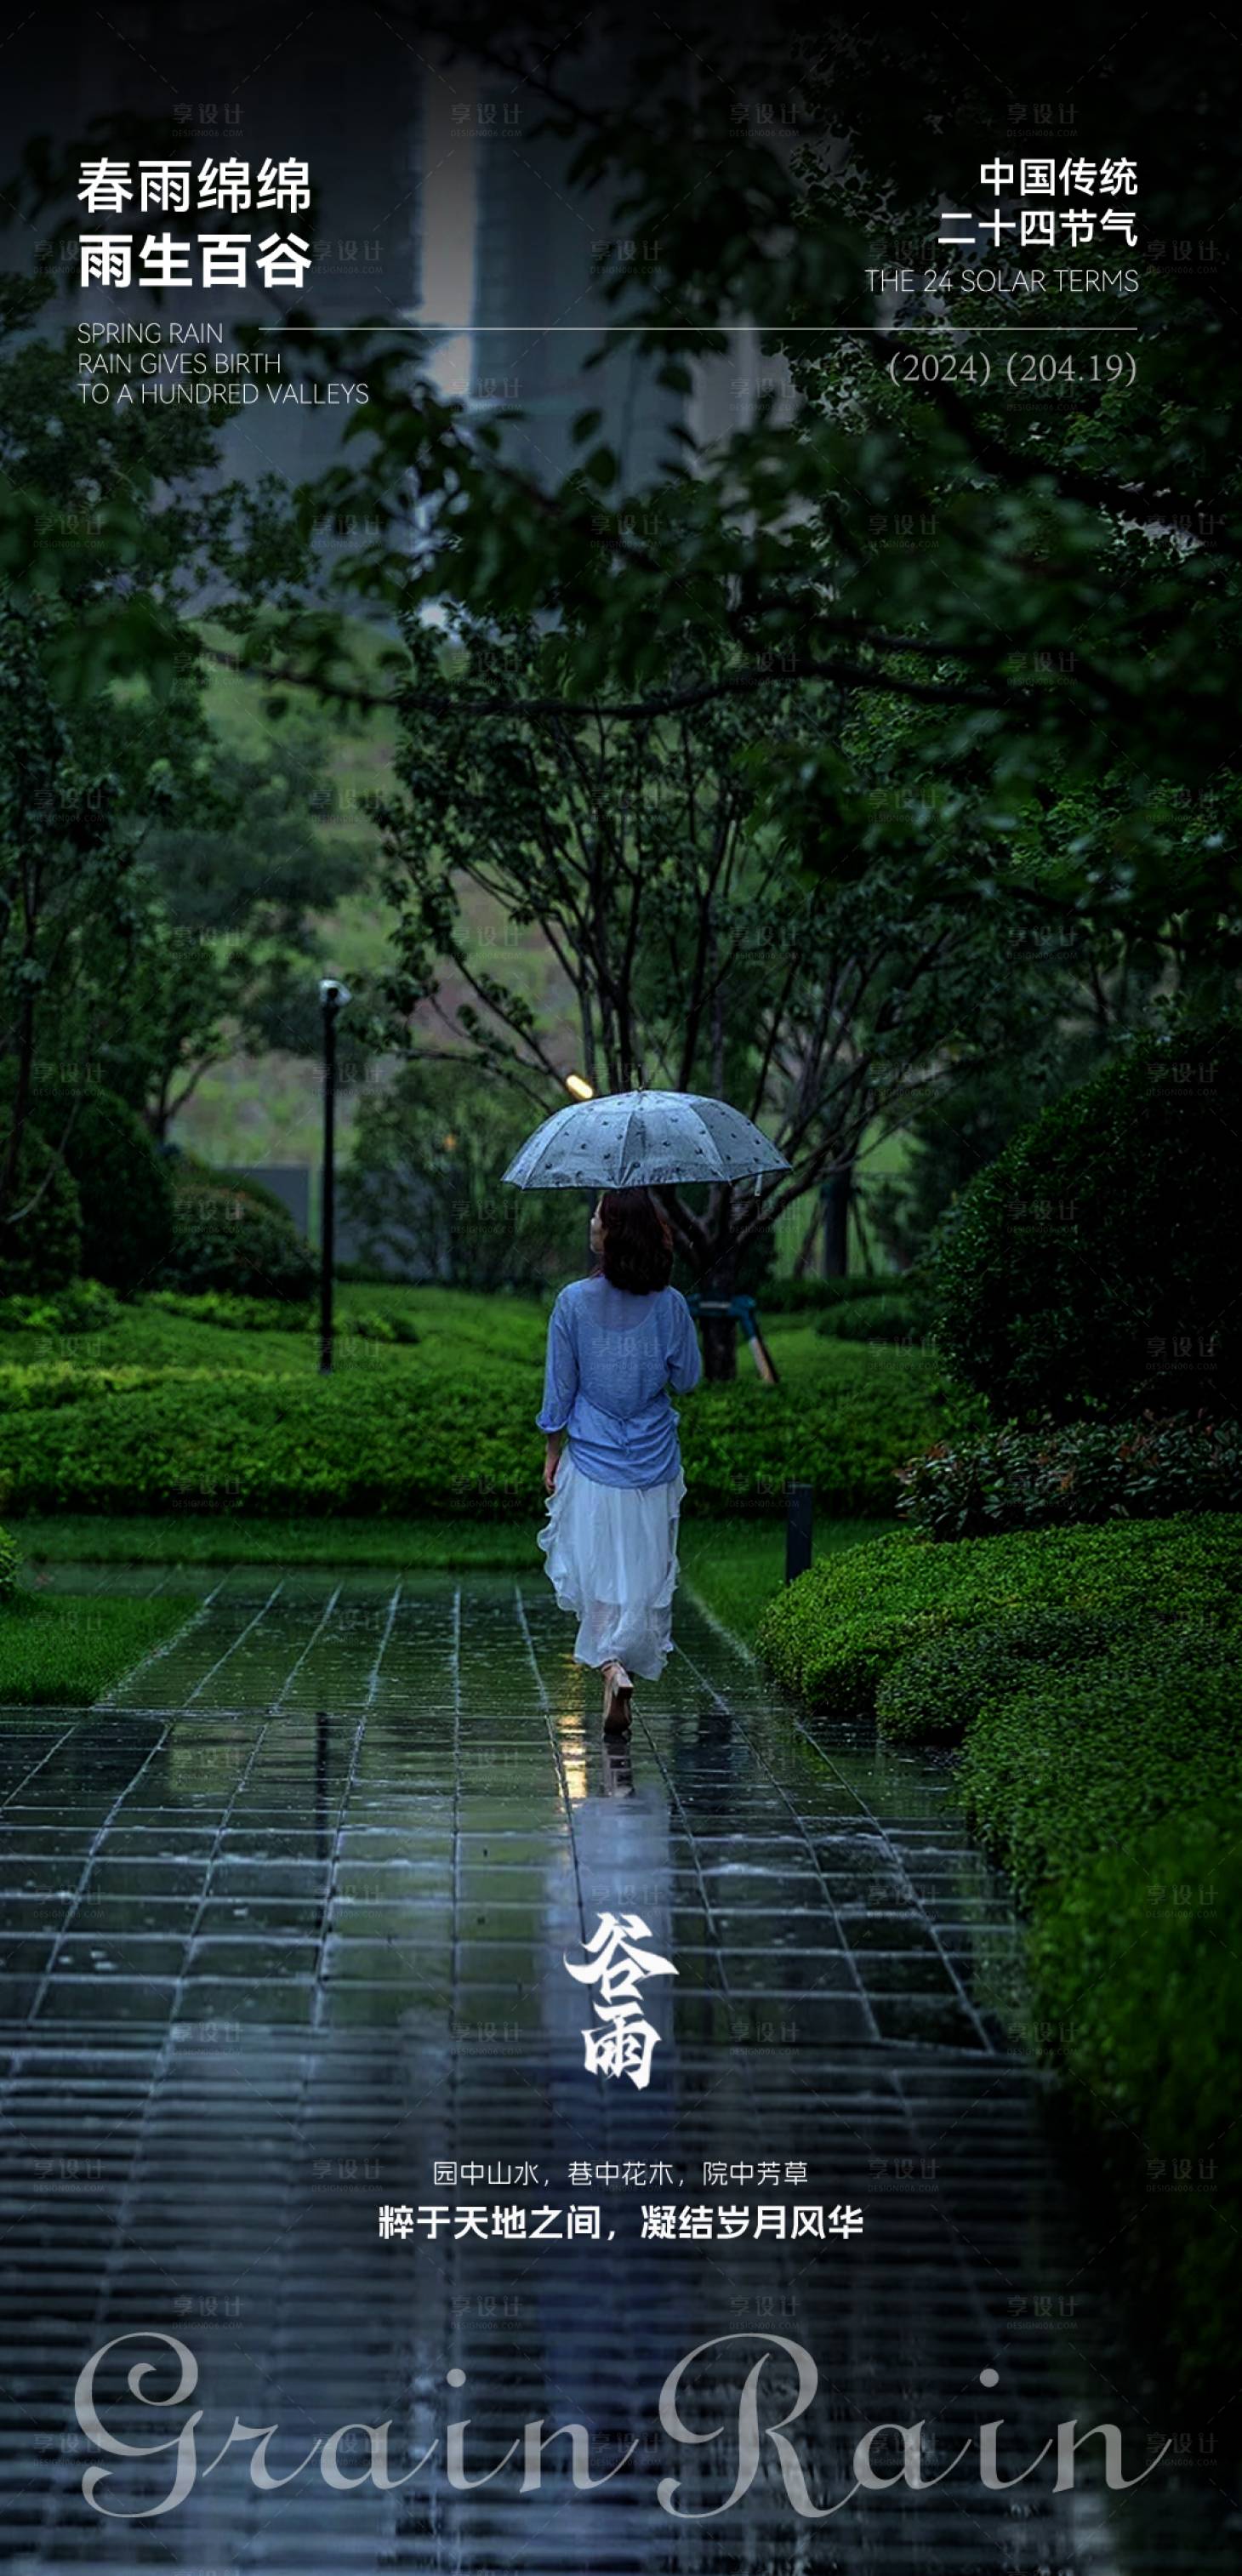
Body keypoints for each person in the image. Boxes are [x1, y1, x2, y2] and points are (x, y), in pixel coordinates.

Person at [536, 1187, 702, 1730]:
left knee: (596, 1572)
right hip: (654, 1462)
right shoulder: (672, 1304)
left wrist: (551, 1453)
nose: (591, 1221)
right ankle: (621, 1663)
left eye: (599, 1215)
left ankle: (611, 1668)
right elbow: (689, 1377)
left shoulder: (572, 1303)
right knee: (640, 1576)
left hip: (592, 1457)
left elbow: (559, 1391)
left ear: (612, 1233)